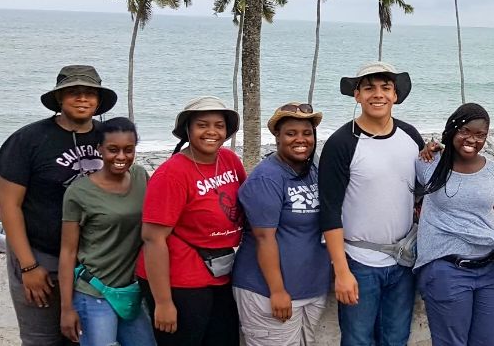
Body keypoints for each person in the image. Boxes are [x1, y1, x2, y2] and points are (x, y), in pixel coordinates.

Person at [0, 65, 117, 346]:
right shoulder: (28, 140)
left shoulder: (109, 137)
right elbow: (9, 206)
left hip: (94, 261)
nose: (82, 99)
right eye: (74, 92)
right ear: (60, 98)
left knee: (88, 337)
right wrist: (28, 266)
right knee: (42, 339)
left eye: (89, 93)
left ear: (98, 100)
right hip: (41, 256)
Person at [319, 61, 424, 346]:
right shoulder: (341, 143)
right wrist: (341, 272)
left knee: (396, 339)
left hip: (403, 260)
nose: (377, 94)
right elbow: (329, 210)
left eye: (385, 88)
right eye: (369, 88)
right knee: (357, 340)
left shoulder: (411, 137)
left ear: (395, 95)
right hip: (359, 262)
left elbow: (420, 193)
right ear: (357, 95)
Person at [414, 103, 494, 346]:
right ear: (453, 130)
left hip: (491, 271)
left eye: (480, 135)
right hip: (446, 269)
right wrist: (431, 148)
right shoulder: (429, 163)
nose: (472, 139)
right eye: (465, 131)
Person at [136, 96, 246, 346]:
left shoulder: (229, 160)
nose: (212, 132)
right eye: (202, 125)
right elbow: (153, 239)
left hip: (219, 273)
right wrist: (163, 302)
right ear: (188, 129)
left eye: (219, 125)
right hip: (179, 280)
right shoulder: (171, 174)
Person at [232, 102, 331, 345]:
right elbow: (264, 238)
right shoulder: (267, 178)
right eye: (291, 133)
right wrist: (277, 291)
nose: (301, 139)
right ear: (277, 137)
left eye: (307, 133)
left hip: (311, 289)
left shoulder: (314, 170)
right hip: (269, 292)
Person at [58, 117, 156, 346]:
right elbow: (68, 251)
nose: (121, 157)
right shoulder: (79, 192)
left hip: (132, 290)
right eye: (113, 150)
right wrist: (66, 308)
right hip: (94, 291)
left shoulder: (142, 177)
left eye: (128, 150)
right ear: (99, 149)